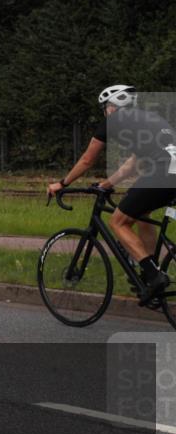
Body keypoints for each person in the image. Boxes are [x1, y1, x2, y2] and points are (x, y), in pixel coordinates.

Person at [47, 85, 176, 303]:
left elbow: (88, 160)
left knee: (118, 222)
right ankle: (149, 272)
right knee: (143, 216)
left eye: (106, 107)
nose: (106, 112)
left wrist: (62, 183)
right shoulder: (151, 119)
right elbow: (133, 164)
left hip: (163, 172)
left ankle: (154, 277)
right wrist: (107, 183)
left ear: (112, 107)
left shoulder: (113, 121)